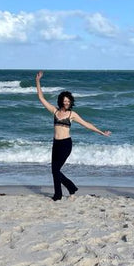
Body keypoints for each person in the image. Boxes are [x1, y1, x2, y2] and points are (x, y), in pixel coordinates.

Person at [36, 71, 111, 201]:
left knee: (55, 170)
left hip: (66, 144)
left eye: (68, 101)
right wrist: (37, 81)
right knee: (54, 170)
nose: (66, 103)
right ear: (61, 101)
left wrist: (101, 132)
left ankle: (71, 188)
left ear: (70, 102)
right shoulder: (55, 111)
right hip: (56, 143)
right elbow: (41, 98)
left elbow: (86, 124)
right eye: (64, 101)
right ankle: (58, 194)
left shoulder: (72, 114)